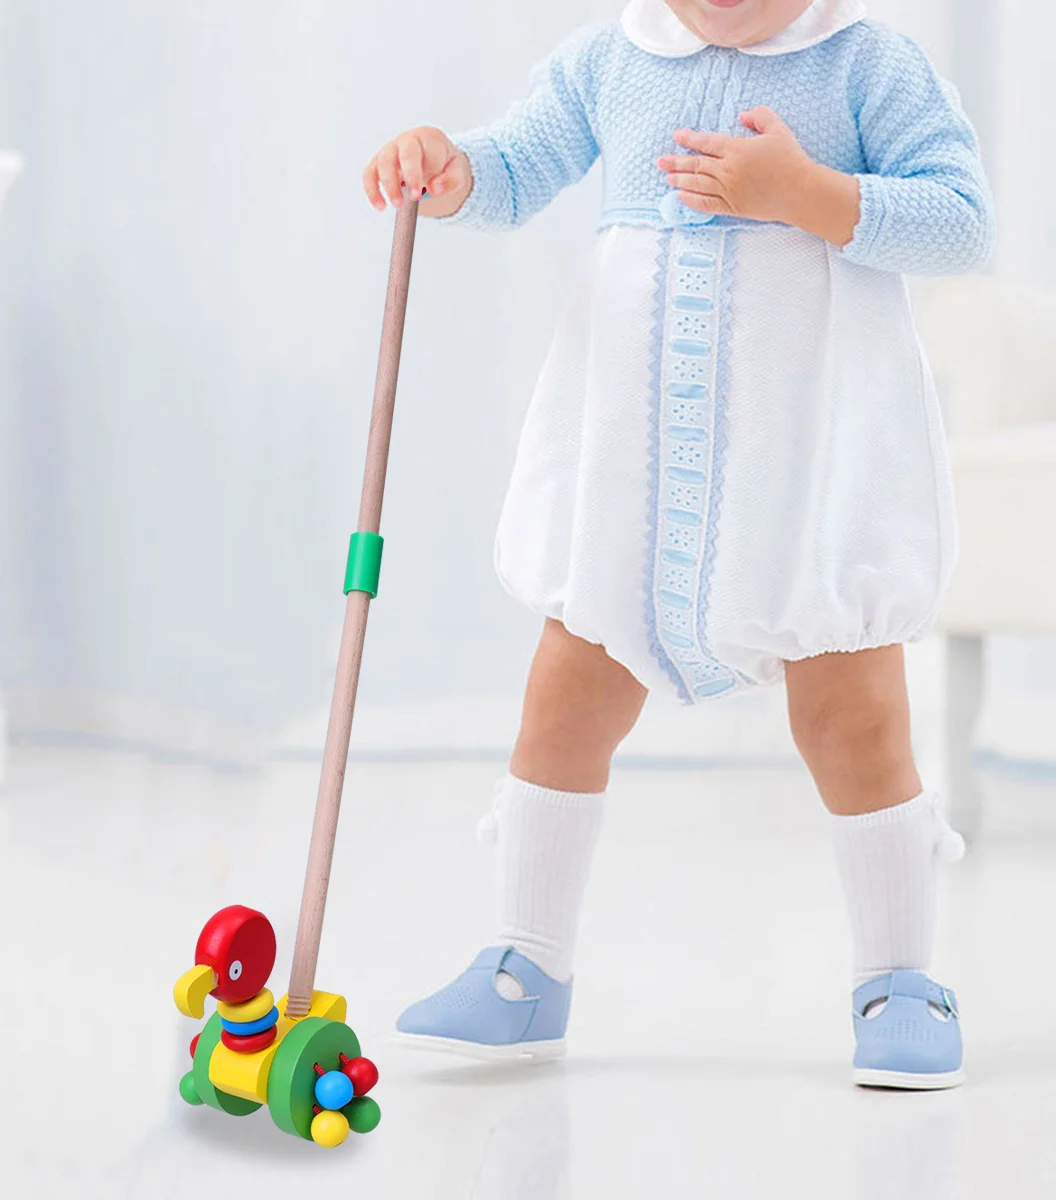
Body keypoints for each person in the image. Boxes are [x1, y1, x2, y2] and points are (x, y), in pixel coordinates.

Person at [362, 0, 991, 1088]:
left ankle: (899, 977)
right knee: (565, 692)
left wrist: (813, 196)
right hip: (636, 465)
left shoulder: (865, 65)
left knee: (855, 715)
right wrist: (449, 168)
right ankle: (526, 963)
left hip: (803, 466)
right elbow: (516, 165)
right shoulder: (613, 58)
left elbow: (960, 221)